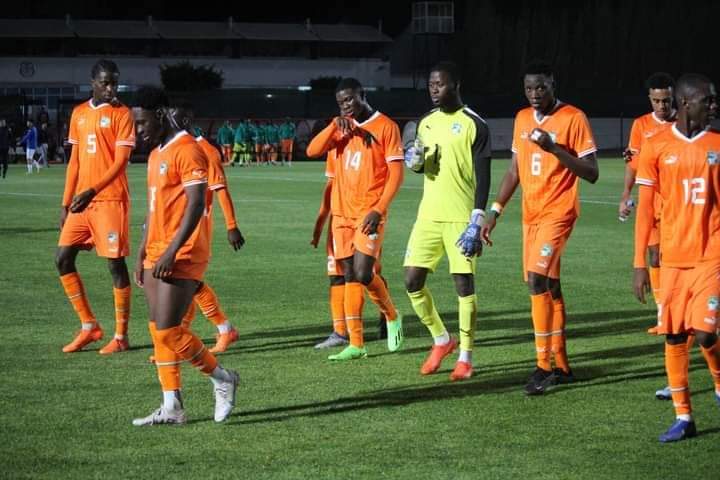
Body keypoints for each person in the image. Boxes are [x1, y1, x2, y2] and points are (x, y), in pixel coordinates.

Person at [482, 61, 599, 395]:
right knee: (550, 286)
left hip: (558, 213)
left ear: (553, 84)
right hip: (530, 216)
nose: (535, 94)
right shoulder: (521, 118)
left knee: (536, 280)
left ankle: (542, 366)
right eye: (529, 88)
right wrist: (495, 210)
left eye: (541, 87)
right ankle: (562, 363)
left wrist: (553, 148)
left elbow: (591, 172)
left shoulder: (574, 118)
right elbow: (514, 171)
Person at [131, 86, 239, 426]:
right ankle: (172, 406)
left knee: (168, 331)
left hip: (183, 253)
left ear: (160, 115)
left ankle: (223, 378)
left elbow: (195, 205)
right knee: (157, 329)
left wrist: (171, 250)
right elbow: (153, 209)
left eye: (142, 122)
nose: (139, 130)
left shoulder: (189, 150)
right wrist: (141, 252)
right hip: (155, 252)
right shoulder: (155, 153)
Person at [633, 73, 720, 442]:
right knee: (672, 336)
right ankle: (684, 417)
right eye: (708, 100)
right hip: (671, 261)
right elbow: (645, 209)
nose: (714, 105)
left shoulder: (717, 145)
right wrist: (639, 263)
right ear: (687, 104)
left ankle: (717, 381)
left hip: (711, 256)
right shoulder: (656, 146)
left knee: (704, 332)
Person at [402, 61, 491, 381]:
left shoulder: (474, 124)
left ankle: (466, 357)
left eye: (439, 84)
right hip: (428, 215)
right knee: (412, 280)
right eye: (430, 85)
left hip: (460, 218)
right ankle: (442, 340)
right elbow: (420, 165)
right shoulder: (425, 122)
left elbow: (483, 178)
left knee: (463, 285)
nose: (434, 89)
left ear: (456, 84)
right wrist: (414, 162)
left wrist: (476, 221)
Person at [306, 77, 404, 360]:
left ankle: (392, 315)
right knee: (348, 274)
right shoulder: (340, 128)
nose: (346, 106)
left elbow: (396, 174)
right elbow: (312, 150)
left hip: (368, 213)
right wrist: (334, 125)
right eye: (340, 102)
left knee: (363, 273)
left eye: (349, 100)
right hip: (341, 215)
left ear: (363, 94)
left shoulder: (386, 126)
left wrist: (379, 208)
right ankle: (357, 344)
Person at [55, 59, 135, 354]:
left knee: (115, 264)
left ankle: (121, 336)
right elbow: (74, 161)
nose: (112, 88)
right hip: (81, 203)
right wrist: (66, 202)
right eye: (106, 82)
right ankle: (89, 326)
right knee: (62, 258)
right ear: (93, 82)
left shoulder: (122, 114)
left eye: (115, 82)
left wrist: (92, 190)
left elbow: (120, 162)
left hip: (110, 200)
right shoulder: (78, 113)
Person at [175, 102, 245, 353]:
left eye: (173, 117)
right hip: (175, 225)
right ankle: (180, 336)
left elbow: (220, 190)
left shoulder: (206, 151)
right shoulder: (175, 147)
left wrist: (232, 226)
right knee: (182, 281)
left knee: (187, 280)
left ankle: (224, 329)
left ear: (185, 121)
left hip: (196, 227)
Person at [310, 165, 390, 349]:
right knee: (336, 275)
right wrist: (318, 228)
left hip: (363, 221)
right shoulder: (336, 149)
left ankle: (388, 315)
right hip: (338, 224)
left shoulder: (367, 150)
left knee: (365, 275)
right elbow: (328, 194)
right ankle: (340, 332)